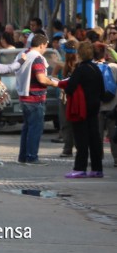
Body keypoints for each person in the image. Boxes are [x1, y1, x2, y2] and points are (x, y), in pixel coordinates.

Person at [60, 41, 104, 178]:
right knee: (95, 138)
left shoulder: (80, 69)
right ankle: (97, 169)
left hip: (81, 108)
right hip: (95, 107)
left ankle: (80, 168)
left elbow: (70, 88)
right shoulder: (96, 69)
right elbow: (102, 89)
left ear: (80, 54)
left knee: (81, 139)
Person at [15, 34, 59, 165]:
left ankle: (23, 157)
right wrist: (55, 83)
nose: (45, 48)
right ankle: (32, 157)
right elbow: (41, 78)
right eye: (45, 46)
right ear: (42, 45)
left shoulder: (23, 54)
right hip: (35, 98)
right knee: (35, 129)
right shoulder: (37, 58)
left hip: (24, 96)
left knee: (27, 128)